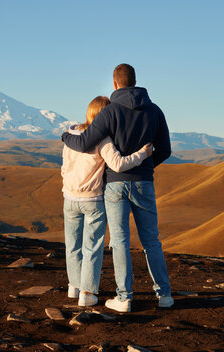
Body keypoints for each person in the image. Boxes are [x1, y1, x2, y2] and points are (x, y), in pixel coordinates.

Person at [61, 64, 173, 312]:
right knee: (151, 240)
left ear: (114, 84)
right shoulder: (155, 111)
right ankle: (164, 295)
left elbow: (85, 141)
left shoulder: (110, 112)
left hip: (115, 185)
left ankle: (124, 298)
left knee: (120, 241)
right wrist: (145, 164)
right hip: (144, 182)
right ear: (135, 82)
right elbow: (165, 149)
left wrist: (65, 136)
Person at [62, 96, 152, 307]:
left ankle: (74, 287)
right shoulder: (102, 140)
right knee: (91, 247)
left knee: (72, 245)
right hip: (93, 199)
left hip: (69, 197)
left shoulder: (71, 135)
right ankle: (87, 292)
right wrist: (142, 154)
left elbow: (64, 167)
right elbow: (119, 164)